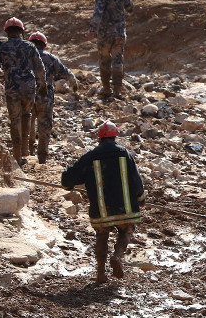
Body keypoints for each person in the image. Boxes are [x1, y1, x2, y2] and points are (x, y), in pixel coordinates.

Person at [61, 121, 145, 284]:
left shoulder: (90, 156)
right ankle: (118, 255)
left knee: (101, 235)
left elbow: (67, 179)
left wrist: (70, 184)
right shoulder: (125, 154)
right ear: (116, 136)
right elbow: (136, 180)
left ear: (99, 138)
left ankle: (100, 273)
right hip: (125, 209)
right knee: (127, 229)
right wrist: (140, 199)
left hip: (101, 211)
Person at [0, 18, 46, 166]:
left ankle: (18, 157)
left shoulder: (3, 48)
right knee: (26, 115)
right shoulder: (30, 46)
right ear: (22, 31)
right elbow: (40, 67)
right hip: (29, 88)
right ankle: (25, 150)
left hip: (12, 89)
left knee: (14, 121)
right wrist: (43, 84)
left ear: (7, 32)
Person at [27, 32, 79, 164]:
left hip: (27, 95)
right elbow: (66, 72)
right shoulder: (51, 58)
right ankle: (42, 158)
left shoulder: (25, 56)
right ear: (44, 45)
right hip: (45, 98)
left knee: (27, 122)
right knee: (45, 127)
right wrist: (74, 83)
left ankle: (28, 152)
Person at [89, 0, 133, 99]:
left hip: (104, 34)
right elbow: (130, 9)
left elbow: (98, 13)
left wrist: (92, 30)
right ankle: (118, 90)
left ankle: (107, 88)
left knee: (104, 59)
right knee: (118, 59)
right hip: (119, 32)